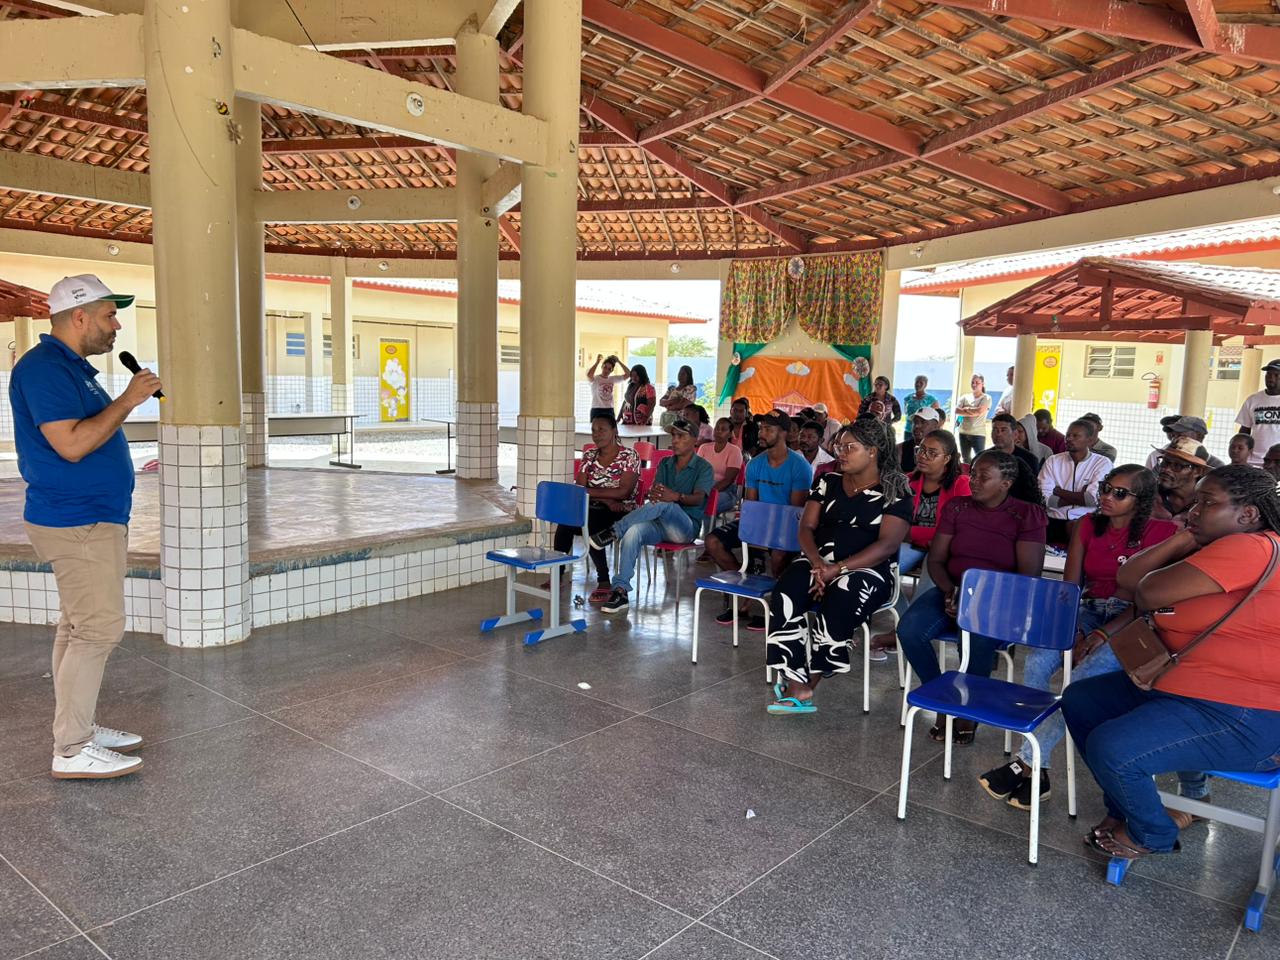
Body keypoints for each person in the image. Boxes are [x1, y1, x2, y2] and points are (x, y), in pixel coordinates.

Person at [1062, 465, 1280, 862]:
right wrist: (1185, 537)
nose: (1193, 511)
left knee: (1114, 748)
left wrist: (1181, 542)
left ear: (1247, 515)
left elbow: (1146, 591)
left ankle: (1153, 832)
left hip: (1239, 713)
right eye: (1194, 501)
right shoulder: (1216, 546)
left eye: (1207, 503)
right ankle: (1126, 808)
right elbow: (1128, 577)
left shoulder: (1251, 547)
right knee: (1081, 699)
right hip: (1177, 689)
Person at [10, 275, 162, 780]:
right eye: (108, 316)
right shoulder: (45, 370)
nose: (115, 326)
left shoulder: (73, 368)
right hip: (76, 518)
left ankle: (77, 727)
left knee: (76, 628)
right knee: (98, 629)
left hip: (90, 515)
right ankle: (71, 749)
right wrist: (129, 400)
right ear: (79, 317)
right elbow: (71, 445)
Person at [977, 465, 1177, 810]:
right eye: (1105, 488)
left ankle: (1026, 761)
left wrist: (1102, 633)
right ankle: (1038, 768)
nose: (1106, 497)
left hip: (1132, 619)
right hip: (1087, 609)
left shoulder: (1162, 533)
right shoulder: (1087, 525)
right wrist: (1077, 628)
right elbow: (1070, 589)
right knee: (1039, 660)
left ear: (1141, 499)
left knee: (1079, 683)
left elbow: (1152, 600)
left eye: (1119, 493)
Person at [897, 449, 1047, 743]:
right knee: (909, 630)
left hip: (1000, 598)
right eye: (973, 472)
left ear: (1005, 483)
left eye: (983, 476)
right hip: (952, 588)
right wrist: (949, 591)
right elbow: (937, 560)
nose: (973, 480)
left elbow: (1028, 577)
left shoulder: (1027, 515)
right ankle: (941, 696)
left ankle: (968, 710)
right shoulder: (957, 507)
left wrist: (976, 600)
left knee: (975, 634)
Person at [765, 418, 912, 714]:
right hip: (818, 562)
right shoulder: (827, 481)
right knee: (786, 592)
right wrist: (819, 564)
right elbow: (806, 527)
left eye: (849, 447)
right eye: (839, 446)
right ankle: (796, 675)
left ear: (872, 451)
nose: (840, 452)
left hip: (868, 571)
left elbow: (886, 546)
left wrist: (838, 569)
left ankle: (805, 686)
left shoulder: (895, 491)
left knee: (842, 596)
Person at [592, 417, 713, 615]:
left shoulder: (703, 467)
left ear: (694, 440)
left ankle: (614, 530)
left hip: (686, 528)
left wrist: (675, 496)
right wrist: (661, 495)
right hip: (660, 524)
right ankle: (620, 590)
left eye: (680, 436)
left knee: (666, 504)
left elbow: (699, 499)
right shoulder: (666, 463)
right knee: (634, 531)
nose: (674, 440)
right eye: (673, 436)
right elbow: (655, 494)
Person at [871, 428, 971, 659]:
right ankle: (903, 629)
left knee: (932, 565)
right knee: (882, 567)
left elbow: (960, 526)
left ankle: (905, 631)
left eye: (931, 452)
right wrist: (917, 535)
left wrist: (929, 539)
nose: (922, 456)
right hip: (910, 543)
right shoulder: (907, 481)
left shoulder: (960, 484)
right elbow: (896, 522)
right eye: (921, 450)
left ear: (947, 458)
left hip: (942, 549)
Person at [707, 411, 812, 629]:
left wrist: (767, 532)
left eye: (769, 429)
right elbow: (753, 507)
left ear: (784, 433)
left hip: (787, 526)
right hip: (759, 521)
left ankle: (776, 604)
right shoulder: (755, 464)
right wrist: (757, 530)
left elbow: (795, 512)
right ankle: (746, 593)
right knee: (713, 542)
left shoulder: (799, 466)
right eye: (762, 428)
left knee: (778, 553)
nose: (762, 433)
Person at [553, 414, 640, 605]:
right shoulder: (589, 456)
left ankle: (603, 580)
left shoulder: (629, 456)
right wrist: (604, 497)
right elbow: (579, 489)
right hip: (594, 507)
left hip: (620, 512)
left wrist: (597, 495)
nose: (597, 434)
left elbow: (623, 492)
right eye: (594, 430)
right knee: (566, 522)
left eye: (602, 430)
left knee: (590, 524)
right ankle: (556, 574)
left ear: (614, 431)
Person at [1038, 418, 1112, 545]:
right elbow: (1046, 500)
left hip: (1087, 524)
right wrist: (1081, 496)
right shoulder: (1053, 461)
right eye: (1068, 435)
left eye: (1075, 436)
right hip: (1054, 522)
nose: (1069, 439)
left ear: (1089, 440)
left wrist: (1059, 491)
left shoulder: (1102, 463)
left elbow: (1092, 499)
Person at [1152, 437, 1211, 528]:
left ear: (1197, 471)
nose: (1166, 469)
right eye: (1165, 462)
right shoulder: (1149, 495)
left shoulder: (1207, 504)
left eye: (1177, 465)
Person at [1234, 357, 1280, 467]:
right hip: (1253, 462)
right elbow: (1244, 431)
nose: (1271, 378)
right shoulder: (1253, 400)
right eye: (1268, 374)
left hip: (1278, 464)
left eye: (1276, 375)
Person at [698, 417, 745, 517]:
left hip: (726, 491)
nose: (718, 431)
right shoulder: (704, 448)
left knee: (703, 503)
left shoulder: (734, 451)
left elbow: (728, 480)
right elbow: (695, 472)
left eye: (723, 429)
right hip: (703, 487)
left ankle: (708, 531)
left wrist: (707, 492)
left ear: (730, 433)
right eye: (717, 428)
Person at [1145, 416, 1223, 470]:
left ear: (1198, 435)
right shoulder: (1166, 458)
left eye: (1181, 435)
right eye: (1174, 435)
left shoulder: (1216, 466)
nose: (1175, 439)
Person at [955, 374, 992, 463]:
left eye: (977, 382)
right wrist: (972, 411)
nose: (974, 384)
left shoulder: (986, 398)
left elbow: (979, 411)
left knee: (980, 459)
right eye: (972, 382)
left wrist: (966, 409)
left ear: (982, 384)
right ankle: (966, 476)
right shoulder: (964, 397)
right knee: (965, 459)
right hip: (963, 432)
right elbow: (957, 410)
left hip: (978, 433)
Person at [990, 412, 1040, 479]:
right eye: (995, 430)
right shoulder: (982, 458)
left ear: (1015, 434)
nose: (998, 434)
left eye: (1003, 430)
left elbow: (1033, 487)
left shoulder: (1029, 460)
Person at [586, 353, 629, 420]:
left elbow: (628, 374)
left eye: (609, 369)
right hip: (597, 409)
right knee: (596, 429)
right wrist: (597, 362)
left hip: (609, 410)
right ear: (602, 367)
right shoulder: (595, 379)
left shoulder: (612, 379)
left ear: (611, 370)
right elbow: (589, 375)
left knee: (610, 430)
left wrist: (619, 362)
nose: (606, 370)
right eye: (605, 367)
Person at [899, 407, 940, 473]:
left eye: (923, 422)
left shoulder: (942, 451)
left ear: (935, 427)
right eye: (915, 422)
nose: (917, 426)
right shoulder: (901, 449)